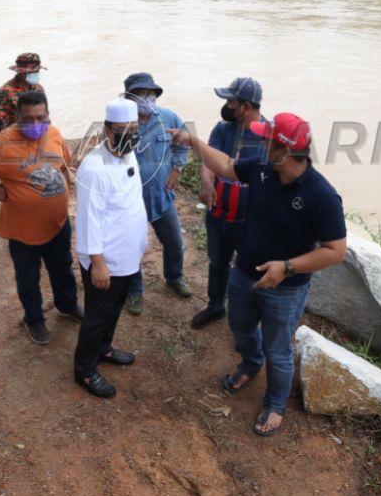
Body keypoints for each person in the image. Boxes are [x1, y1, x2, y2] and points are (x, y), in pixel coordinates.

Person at [170, 113, 348, 437]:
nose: (261, 143)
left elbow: (336, 250)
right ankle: (251, 363)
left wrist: (287, 267)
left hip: (285, 288)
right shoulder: (264, 168)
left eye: (268, 140)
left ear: (283, 149)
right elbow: (225, 165)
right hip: (244, 274)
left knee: (278, 349)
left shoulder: (322, 196)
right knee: (239, 326)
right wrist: (194, 141)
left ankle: (276, 402)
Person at [0, 90, 83, 345]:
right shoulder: (0, 144)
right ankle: (34, 318)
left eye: (41, 118)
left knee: (63, 266)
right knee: (28, 277)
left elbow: (64, 164)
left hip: (58, 222)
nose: (35, 124)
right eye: (28, 119)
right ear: (17, 117)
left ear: (48, 115)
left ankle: (68, 304)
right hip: (23, 229)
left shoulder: (54, 134)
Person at [72, 98, 148, 399]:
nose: (129, 135)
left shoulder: (129, 154)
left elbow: (131, 201)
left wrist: (141, 237)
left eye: (134, 129)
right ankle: (85, 371)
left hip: (128, 255)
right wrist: (98, 263)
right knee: (97, 316)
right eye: (122, 130)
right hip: (107, 260)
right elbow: (88, 220)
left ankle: (103, 349)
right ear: (106, 130)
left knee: (114, 310)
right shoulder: (94, 168)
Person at [191, 77, 268, 329]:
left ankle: (247, 324)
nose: (227, 105)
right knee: (218, 264)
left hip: (250, 223)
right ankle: (215, 307)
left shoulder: (269, 138)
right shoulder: (223, 129)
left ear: (245, 106)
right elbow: (209, 161)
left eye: (231, 101)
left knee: (250, 273)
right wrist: (206, 181)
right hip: (218, 215)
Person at [120, 72, 191, 316]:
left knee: (174, 243)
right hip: (131, 201)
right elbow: (109, 158)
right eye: (140, 94)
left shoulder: (169, 118)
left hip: (162, 196)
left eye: (150, 94)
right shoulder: (120, 123)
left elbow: (182, 143)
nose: (146, 99)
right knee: (132, 248)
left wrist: (176, 169)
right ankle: (134, 290)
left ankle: (174, 277)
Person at [0, 52, 46, 134]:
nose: (35, 74)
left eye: (37, 71)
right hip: (14, 139)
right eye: (31, 72)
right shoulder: (5, 92)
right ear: (21, 72)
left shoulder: (38, 89)